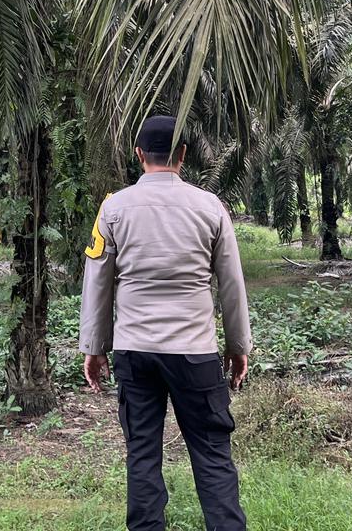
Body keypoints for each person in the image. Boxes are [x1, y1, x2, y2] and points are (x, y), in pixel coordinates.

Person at [79, 114, 253, 531]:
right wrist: (238, 346)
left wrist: (94, 346)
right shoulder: (211, 208)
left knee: (142, 454)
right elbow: (231, 283)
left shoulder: (114, 207)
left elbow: (98, 281)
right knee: (212, 453)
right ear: (183, 155)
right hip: (194, 354)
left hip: (135, 353)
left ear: (139, 155)